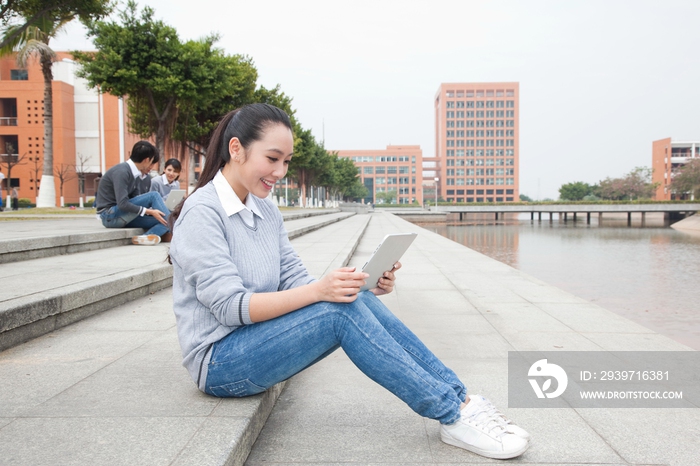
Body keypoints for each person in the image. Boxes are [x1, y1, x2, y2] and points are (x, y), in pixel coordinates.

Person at [168, 104, 530, 460]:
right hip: (219, 362)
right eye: (273, 158)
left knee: (349, 301)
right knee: (337, 313)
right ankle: (451, 415)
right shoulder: (203, 212)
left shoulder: (265, 209)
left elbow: (295, 279)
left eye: (287, 161)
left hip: (255, 340)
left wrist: (360, 286)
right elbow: (231, 308)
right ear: (236, 149)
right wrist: (319, 291)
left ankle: (462, 400)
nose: (281, 171)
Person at [95, 140, 171, 245]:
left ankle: (145, 238)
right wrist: (150, 212)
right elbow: (123, 204)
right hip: (109, 216)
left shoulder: (135, 174)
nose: (151, 166)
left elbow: (136, 200)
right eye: (152, 162)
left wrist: (152, 212)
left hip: (121, 215)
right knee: (154, 196)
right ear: (147, 160)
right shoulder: (122, 172)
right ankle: (176, 227)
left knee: (165, 221)